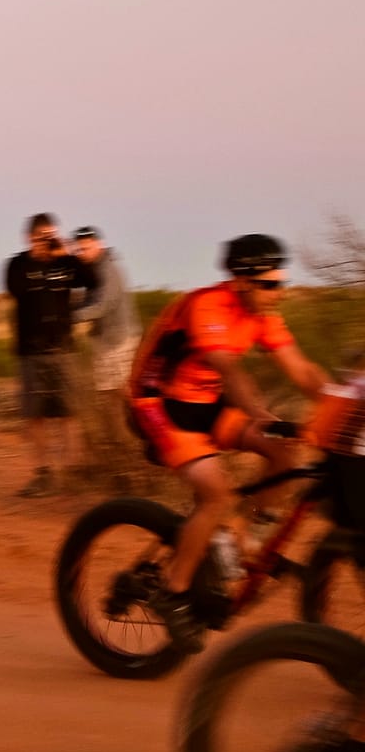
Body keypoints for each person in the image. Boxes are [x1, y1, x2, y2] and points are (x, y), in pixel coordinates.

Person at [126, 234, 329, 650]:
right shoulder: (207, 305)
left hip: (206, 403)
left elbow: (303, 371)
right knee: (216, 496)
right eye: (269, 284)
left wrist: (343, 409)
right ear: (240, 281)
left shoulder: (262, 313)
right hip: (158, 404)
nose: (279, 292)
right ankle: (173, 592)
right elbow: (229, 370)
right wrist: (261, 414)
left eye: (282, 282)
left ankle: (242, 539)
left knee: (284, 455)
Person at [4, 213, 97, 496]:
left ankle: (69, 473)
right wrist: (37, 257)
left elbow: (92, 280)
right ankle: (43, 474)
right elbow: (16, 290)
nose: (47, 241)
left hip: (63, 350)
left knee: (69, 413)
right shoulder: (17, 265)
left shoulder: (65, 262)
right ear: (29, 237)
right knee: (35, 416)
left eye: (51, 235)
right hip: (31, 352)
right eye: (42, 236)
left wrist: (66, 253)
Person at [70, 225, 143, 479]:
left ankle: (133, 449)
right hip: (105, 340)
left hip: (119, 339)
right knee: (110, 396)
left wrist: (70, 317)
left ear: (98, 244)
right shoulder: (92, 269)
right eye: (80, 249)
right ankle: (122, 451)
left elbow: (104, 305)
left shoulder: (108, 269)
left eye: (87, 248)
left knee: (119, 395)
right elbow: (88, 300)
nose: (83, 253)